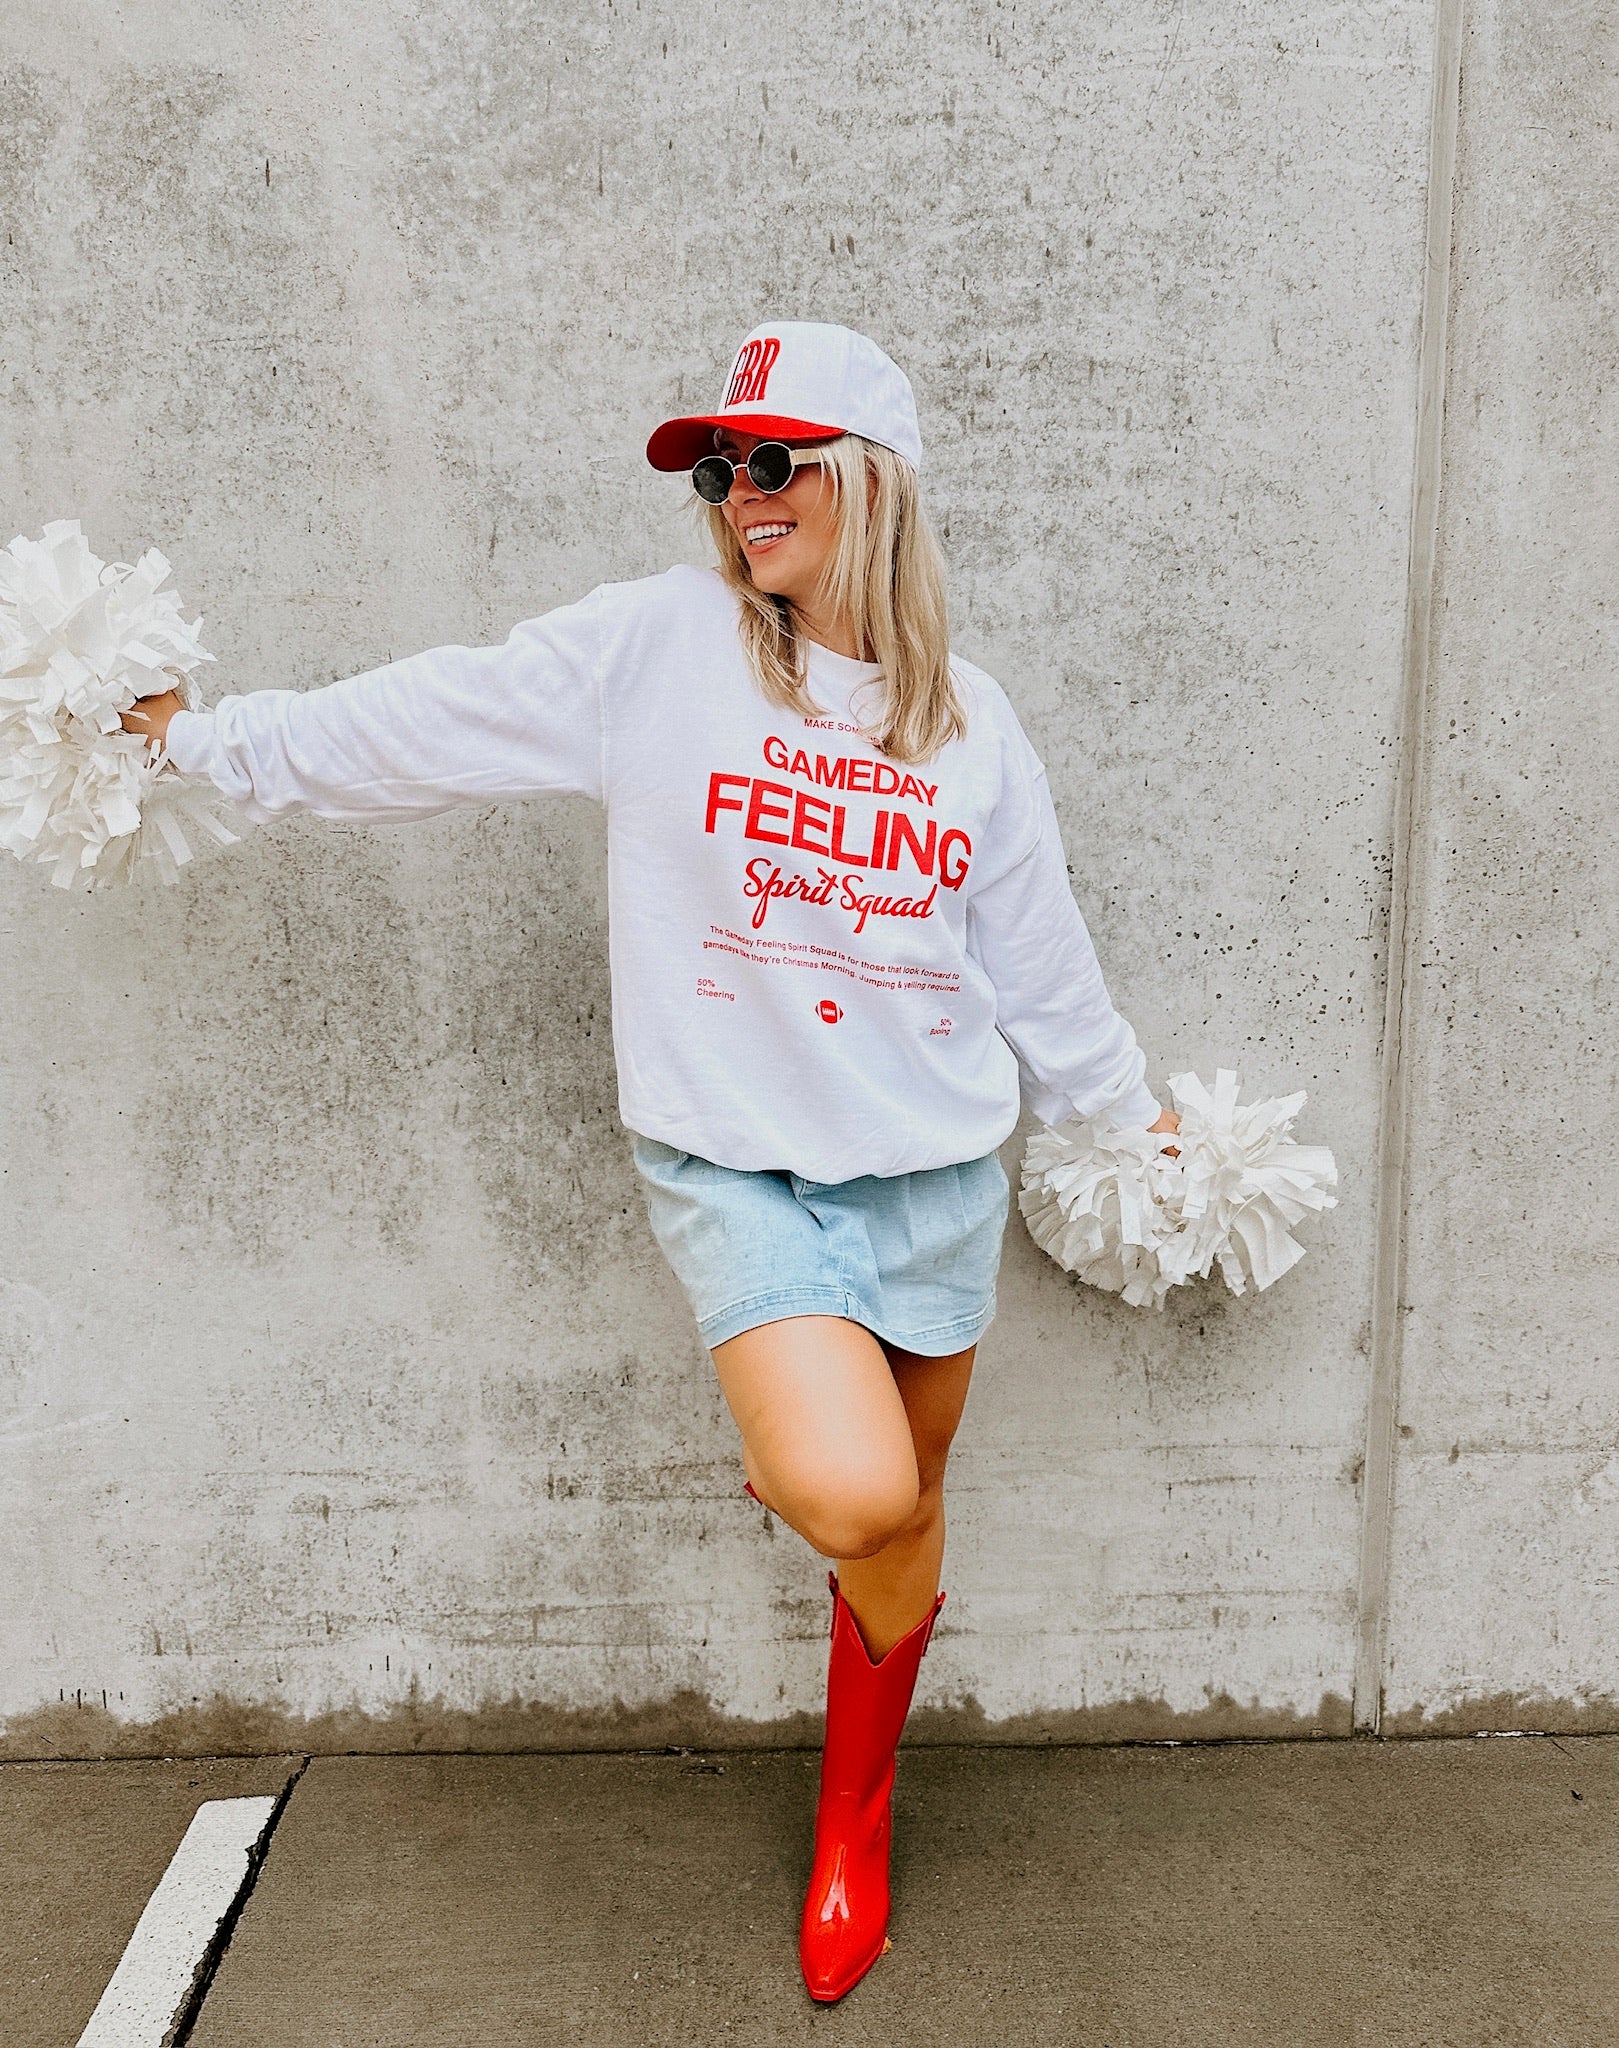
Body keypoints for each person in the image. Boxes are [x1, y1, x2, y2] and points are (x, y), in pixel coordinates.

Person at [124, 319, 1180, 2004]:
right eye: (720, 467)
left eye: (774, 461)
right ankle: (792, 1453)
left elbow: (1037, 961)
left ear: (868, 477)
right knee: (854, 1495)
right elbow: (427, 719)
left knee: (901, 1534)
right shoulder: (659, 650)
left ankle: (856, 1821)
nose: (740, 497)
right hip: (740, 1169)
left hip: (937, 1177)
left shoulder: (973, 724)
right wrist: (206, 741)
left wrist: (1130, 1125)